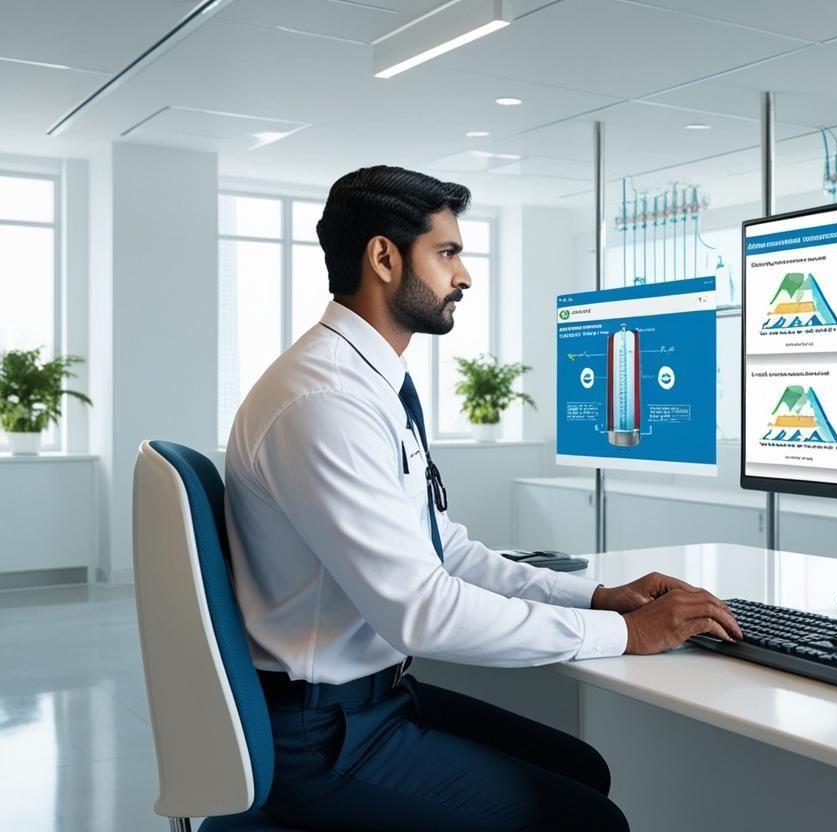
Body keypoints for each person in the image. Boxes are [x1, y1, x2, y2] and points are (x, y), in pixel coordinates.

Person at [224, 165, 742, 831]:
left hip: (370, 703)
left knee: (585, 770)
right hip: (320, 740)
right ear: (383, 257)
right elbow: (421, 612)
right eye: (447, 253)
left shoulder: (361, 383)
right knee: (589, 821)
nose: (463, 276)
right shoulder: (325, 403)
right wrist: (625, 635)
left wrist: (595, 597)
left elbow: (447, 553)